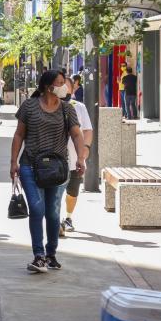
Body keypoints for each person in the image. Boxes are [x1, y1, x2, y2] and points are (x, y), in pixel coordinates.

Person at [10, 70, 86, 273]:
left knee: (53, 212)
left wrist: (81, 157)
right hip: (30, 166)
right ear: (47, 86)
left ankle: (51, 253)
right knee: (37, 209)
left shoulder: (67, 109)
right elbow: (19, 135)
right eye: (59, 82)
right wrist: (13, 162)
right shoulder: (29, 106)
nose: (64, 86)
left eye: (64, 82)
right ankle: (39, 255)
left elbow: (77, 135)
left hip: (58, 168)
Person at [59, 77, 93, 236]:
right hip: (55, 161)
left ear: (72, 90)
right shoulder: (48, 106)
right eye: (59, 85)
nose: (63, 88)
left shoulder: (79, 107)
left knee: (73, 191)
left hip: (75, 160)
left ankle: (68, 218)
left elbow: (87, 130)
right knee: (54, 193)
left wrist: (85, 149)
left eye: (66, 85)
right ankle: (56, 221)